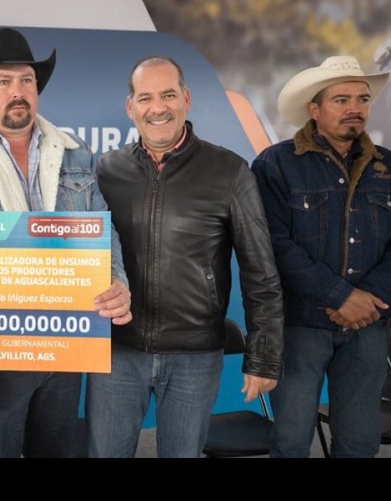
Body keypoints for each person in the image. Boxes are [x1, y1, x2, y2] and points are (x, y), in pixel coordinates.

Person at [0, 27, 132, 458]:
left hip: (65, 344)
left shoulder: (75, 152)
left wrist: (116, 281)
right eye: (4, 81)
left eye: (26, 80)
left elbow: (101, 228)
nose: (18, 91)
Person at [87, 56, 284, 458]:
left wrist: (263, 356)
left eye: (168, 95)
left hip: (195, 355)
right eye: (145, 98)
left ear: (186, 99)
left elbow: (260, 270)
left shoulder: (229, 171)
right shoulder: (106, 170)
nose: (157, 108)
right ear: (130, 107)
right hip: (117, 351)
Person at [252, 56, 391, 457]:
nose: (355, 108)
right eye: (341, 100)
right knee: (292, 440)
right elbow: (272, 244)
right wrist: (340, 296)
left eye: (362, 99)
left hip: (369, 324)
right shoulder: (276, 164)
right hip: (300, 326)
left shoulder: (387, 166)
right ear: (313, 109)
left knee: (360, 443)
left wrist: (367, 300)